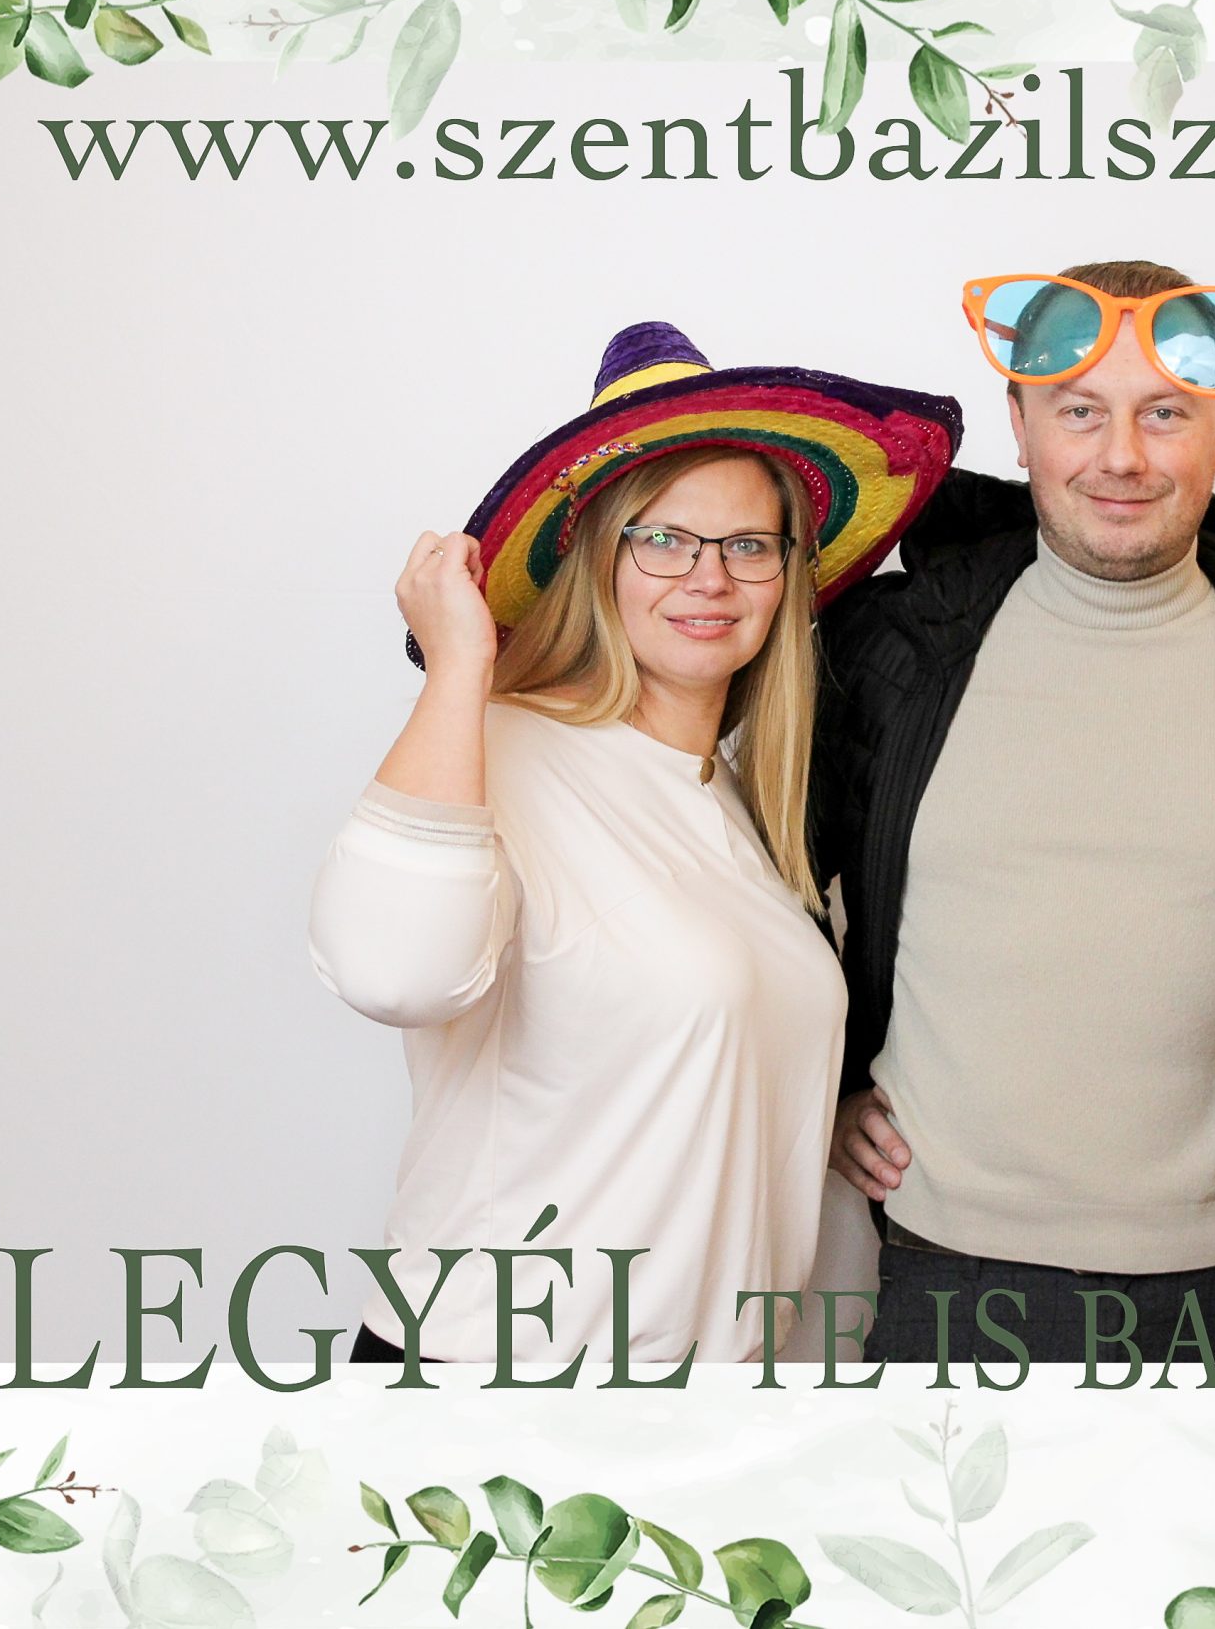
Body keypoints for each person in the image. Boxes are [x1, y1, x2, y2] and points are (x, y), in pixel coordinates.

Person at [308, 323, 961, 1365]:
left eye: (748, 545)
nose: (710, 577)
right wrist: (459, 665)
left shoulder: (739, 805)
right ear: (594, 559)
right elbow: (392, 972)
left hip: (704, 1404)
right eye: (662, 539)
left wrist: (812, 1106)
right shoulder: (498, 745)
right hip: (498, 1388)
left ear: (787, 575)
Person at [816, 262, 1215, 1365]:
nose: (1123, 456)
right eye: (1080, 412)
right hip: (945, 1274)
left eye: (1166, 414)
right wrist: (832, 1084)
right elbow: (769, 874)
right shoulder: (893, 644)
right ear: (1020, 428)